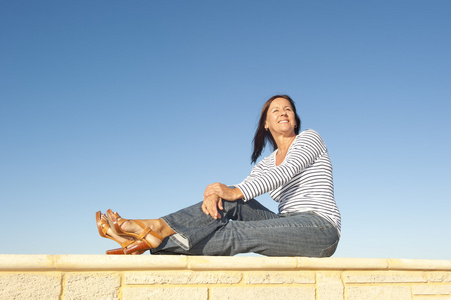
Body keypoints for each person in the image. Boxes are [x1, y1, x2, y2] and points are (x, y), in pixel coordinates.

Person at [95, 95, 341, 256]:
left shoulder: (310, 138)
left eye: (288, 109)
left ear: (295, 119)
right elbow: (244, 187)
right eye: (275, 110)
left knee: (236, 230)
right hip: (286, 222)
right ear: (266, 124)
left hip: (319, 227)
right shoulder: (266, 162)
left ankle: (153, 236)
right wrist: (214, 192)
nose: (283, 112)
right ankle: (155, 230)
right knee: (232, 201)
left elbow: (286, 171)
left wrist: (232, 190)